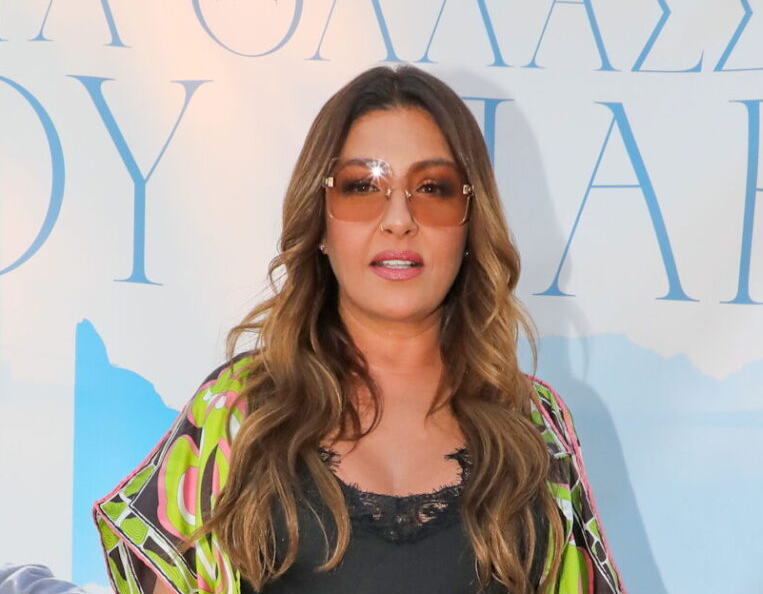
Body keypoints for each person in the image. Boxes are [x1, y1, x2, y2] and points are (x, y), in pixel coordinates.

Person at [93, 65, 625, 594]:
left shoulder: (533, 428)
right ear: (320, 220)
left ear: (470, 221)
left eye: (432, 188)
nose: (399, 219)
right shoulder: (238, 413)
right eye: (362, 187)